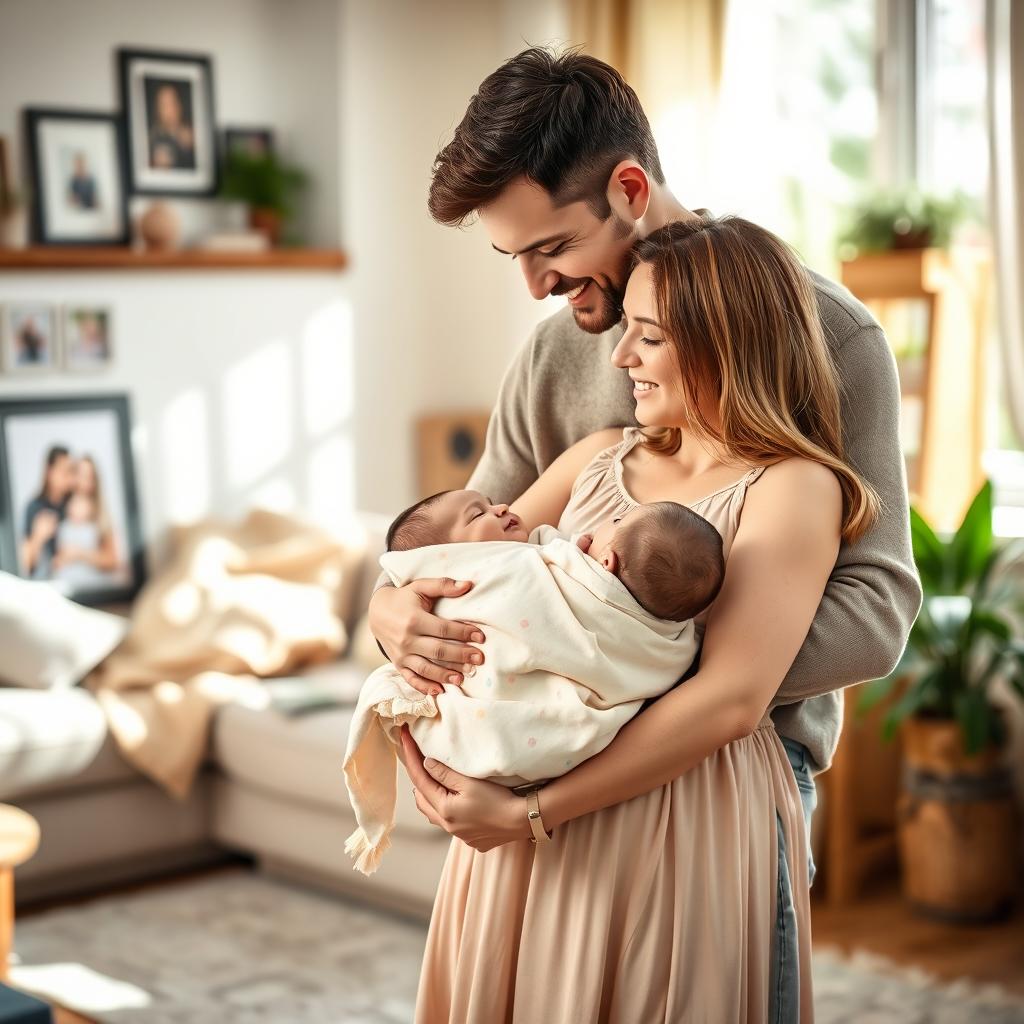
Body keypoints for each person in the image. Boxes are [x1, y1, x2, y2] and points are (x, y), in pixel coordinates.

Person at [370, 49, 921, 1023]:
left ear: (629, 189)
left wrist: (613, 662)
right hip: (546, 755)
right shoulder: (556, 360)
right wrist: (394, 609)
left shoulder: (826, 338)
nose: (538, 285)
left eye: (550, 249)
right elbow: (473, 537)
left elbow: (873, 612)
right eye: (514, 260)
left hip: (728, 768)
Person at [346, 492, 722, 875]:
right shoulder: (483, 571)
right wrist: (384, 600)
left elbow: (729, 702)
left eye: (490, 503)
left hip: (601, 795)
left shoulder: (540, 563)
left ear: (606, 562)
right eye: (481, 512)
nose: (504, 507)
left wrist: (527, 814)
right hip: (511, 804)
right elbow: (416, 548)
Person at [50, 454, 122, 587]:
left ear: (94, 482)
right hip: (66, 586)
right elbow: (57, 556)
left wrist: (79, 553)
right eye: (78, 474)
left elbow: (112, 560)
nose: (82, 481)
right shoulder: (60, 509)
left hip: (93, 588)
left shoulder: (101, 515)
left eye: (88, 477)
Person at [20, 445, 74, 579]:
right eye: (64, 471)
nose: (69, 478)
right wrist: (38, 537)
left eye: (71, 471)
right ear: (49, 472)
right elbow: (25, 564)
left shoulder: (73, 504)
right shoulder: (34, 507)